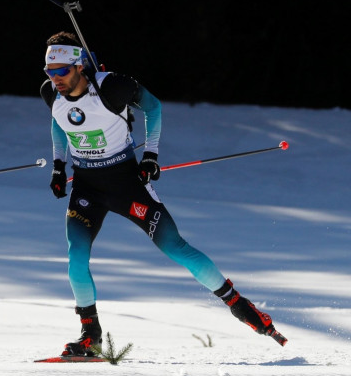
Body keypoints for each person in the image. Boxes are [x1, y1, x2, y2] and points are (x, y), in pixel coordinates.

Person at [40, 31, 285, 357]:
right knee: (76, 257)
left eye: (62, 71)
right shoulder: (51, 93)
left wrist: (151, 155)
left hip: (127, 183)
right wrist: (59, 166)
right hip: (87, 187)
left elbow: (153, 107)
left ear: (80, 66)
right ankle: (91, 336)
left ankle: (240, 305)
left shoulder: (111, 86)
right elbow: (60, 121)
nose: (55, 79)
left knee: (175, 247)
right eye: (49, 72)